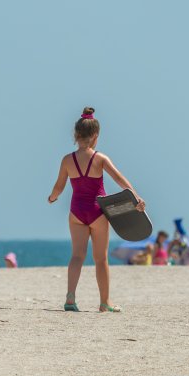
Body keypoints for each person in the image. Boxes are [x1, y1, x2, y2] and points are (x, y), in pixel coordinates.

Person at [48, 106, 145, 313]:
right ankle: (105, 302)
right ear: (95, 136)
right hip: (97, 212)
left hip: (76, 212)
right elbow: (119, 179)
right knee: (100, 259)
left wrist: (52, 198)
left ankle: (70, 298)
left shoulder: (67, 160)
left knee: (77, 256)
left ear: (76, 135)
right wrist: (135, 196)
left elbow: (59, 187)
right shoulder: (100, 158)